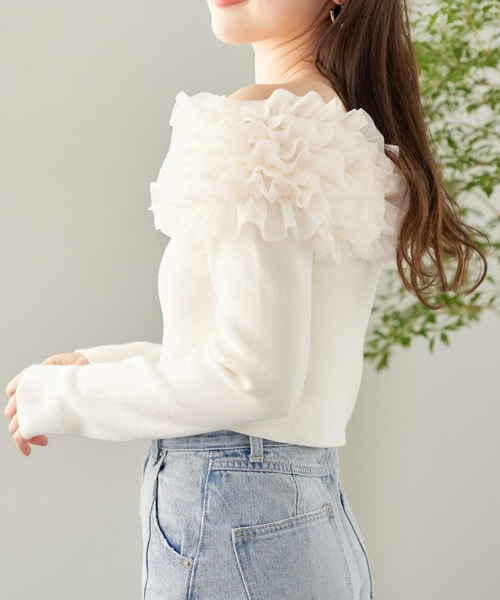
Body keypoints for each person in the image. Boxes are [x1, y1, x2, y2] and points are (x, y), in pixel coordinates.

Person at [5, 0, 488, 598]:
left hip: (236, 515)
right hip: (302, 516)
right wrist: (97, 365)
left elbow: (254, 379)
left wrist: (64, 397)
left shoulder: (266, 124)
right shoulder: (336, 125)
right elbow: (272, 366)